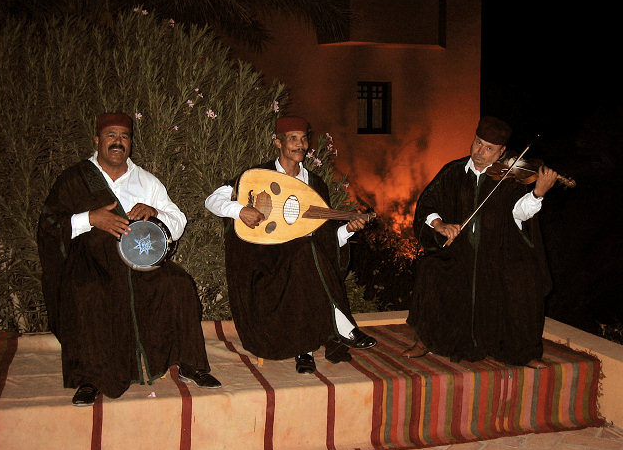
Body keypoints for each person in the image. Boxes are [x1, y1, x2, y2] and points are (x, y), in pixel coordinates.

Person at [38, 112, 221, 406]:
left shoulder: (147, 181)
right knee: (86, 292)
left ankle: (190, 363)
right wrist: (91, 218)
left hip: (141, 264)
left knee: (178, 284)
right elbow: (49, 224)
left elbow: (178, 221)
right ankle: (90, 378)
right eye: (110, 135)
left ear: (130, 143)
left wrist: (155, 212)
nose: (117, 142)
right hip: (92, 264)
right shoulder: (74, 179)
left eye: (124, 136)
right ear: (97, 141)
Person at [205, 116, 377, 374]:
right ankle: (341, 326)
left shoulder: (315, 184)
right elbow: (212, 200)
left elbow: (326, 238)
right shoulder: (258, 175)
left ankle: (304, 350)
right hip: (266, 258)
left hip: (305, 257)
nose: (301, 144)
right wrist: (239, 210)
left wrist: (348, 230)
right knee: (304, 252)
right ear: (278, 143)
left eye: (304, 138)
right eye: (293, 139)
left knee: (305, 251)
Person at [404, 116, 557, 368]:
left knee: (523, 279)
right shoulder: (453, 172)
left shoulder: (510, 178)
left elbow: (520, 213)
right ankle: (426, 340)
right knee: (431, 270)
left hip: (496, 253)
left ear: (502, 152)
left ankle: (522, 351)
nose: (479, 152)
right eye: (478, 143)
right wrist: (439, 225)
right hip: (459, 253)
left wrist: (538, 193)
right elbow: (427, 205)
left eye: (489, 148)